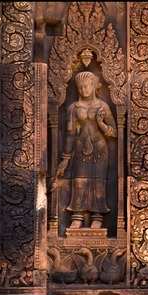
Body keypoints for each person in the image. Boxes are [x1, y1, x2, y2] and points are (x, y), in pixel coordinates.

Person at [56, 70, 116, 229]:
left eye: (87, 86)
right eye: (80, 87)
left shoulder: (102, 106)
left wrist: (101, 123)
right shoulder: (73, 108)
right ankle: (77, 215)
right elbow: (69, 134)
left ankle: (97, 216)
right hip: (81, 148)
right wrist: (65, 158)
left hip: (100, 148)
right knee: (80, 181)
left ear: (94, 86)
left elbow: (114, 132)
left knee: (98, 181)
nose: (84, 90)